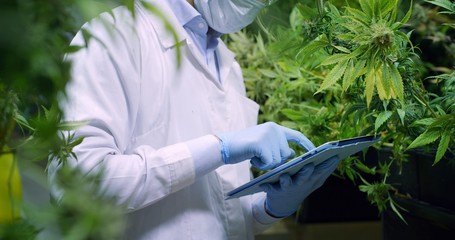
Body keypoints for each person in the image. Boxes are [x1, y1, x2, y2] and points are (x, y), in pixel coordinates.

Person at [48, 0, 340, 239]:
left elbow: (218, 218)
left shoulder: (226, 62)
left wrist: (269, 208)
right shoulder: (110, 38)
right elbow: (78, 183)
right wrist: (218, 149)